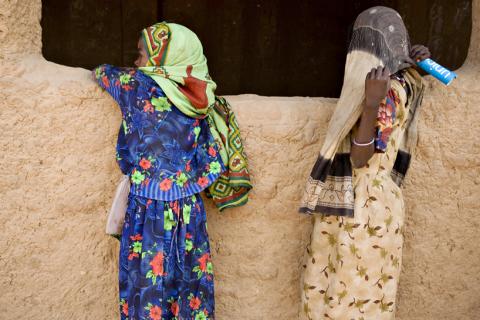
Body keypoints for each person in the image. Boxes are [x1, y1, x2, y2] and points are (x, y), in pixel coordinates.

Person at [92, 22, 252, 320]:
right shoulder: (200, 98)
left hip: (145, 209)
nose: (138, 62)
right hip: (187, 212)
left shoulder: (135, 85)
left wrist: (128, 71)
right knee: (189, 286)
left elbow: (101, 72)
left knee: (145, 289)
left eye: (142, 55)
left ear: (160, 58)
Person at [299, 7, 430, 319]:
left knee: (346, 292)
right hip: (382, 205)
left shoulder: (385, 92)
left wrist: (371, 104)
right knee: (365, 293)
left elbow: (359, 158)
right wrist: (421, 66)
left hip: (360, 207)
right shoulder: (406, 82)